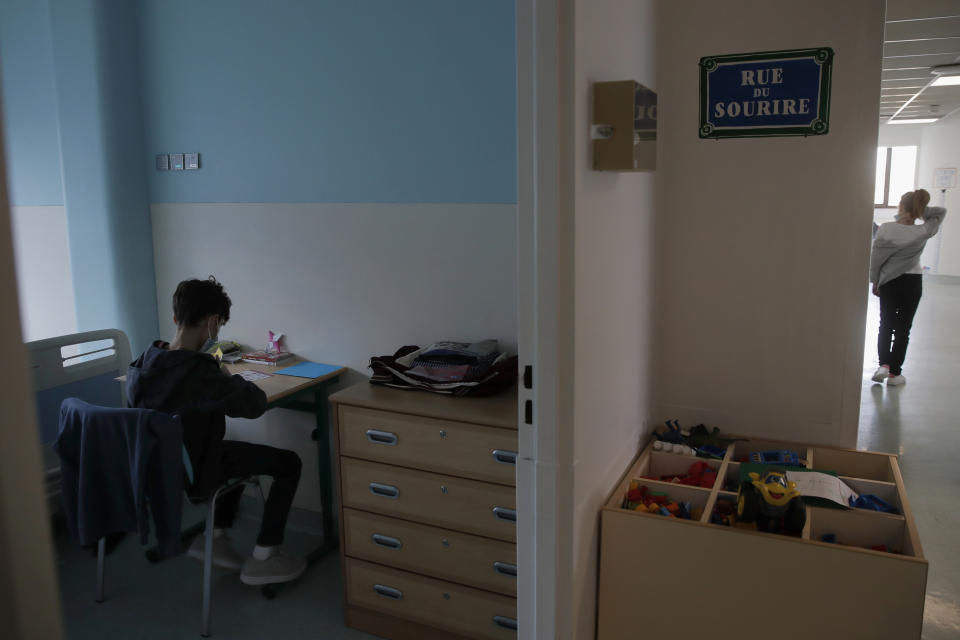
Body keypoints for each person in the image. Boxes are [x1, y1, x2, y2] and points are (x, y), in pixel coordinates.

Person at [126, 276, 306, 585]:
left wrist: (212, 366)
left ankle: (217, 537)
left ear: (175, 317)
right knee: (288, 463)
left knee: (224, 448)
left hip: (155, 469)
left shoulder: (144, 362)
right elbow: (255, 404)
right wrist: (221, 369)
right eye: (219, 326)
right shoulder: (199, 371)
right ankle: (266, 554)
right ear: (212, 323)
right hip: (196, 471)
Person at [868, 189, 947, 386]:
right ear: (919, 209)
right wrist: (921, 212)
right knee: (903, 329)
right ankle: (895, 374)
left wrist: (875, 280)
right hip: (913, 282)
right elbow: (941, 211)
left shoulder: (886, 229)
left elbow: (876, 260)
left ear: (900, 207)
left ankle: (883, 365)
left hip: (890, 282)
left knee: (885, 324)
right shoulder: (923, 230)